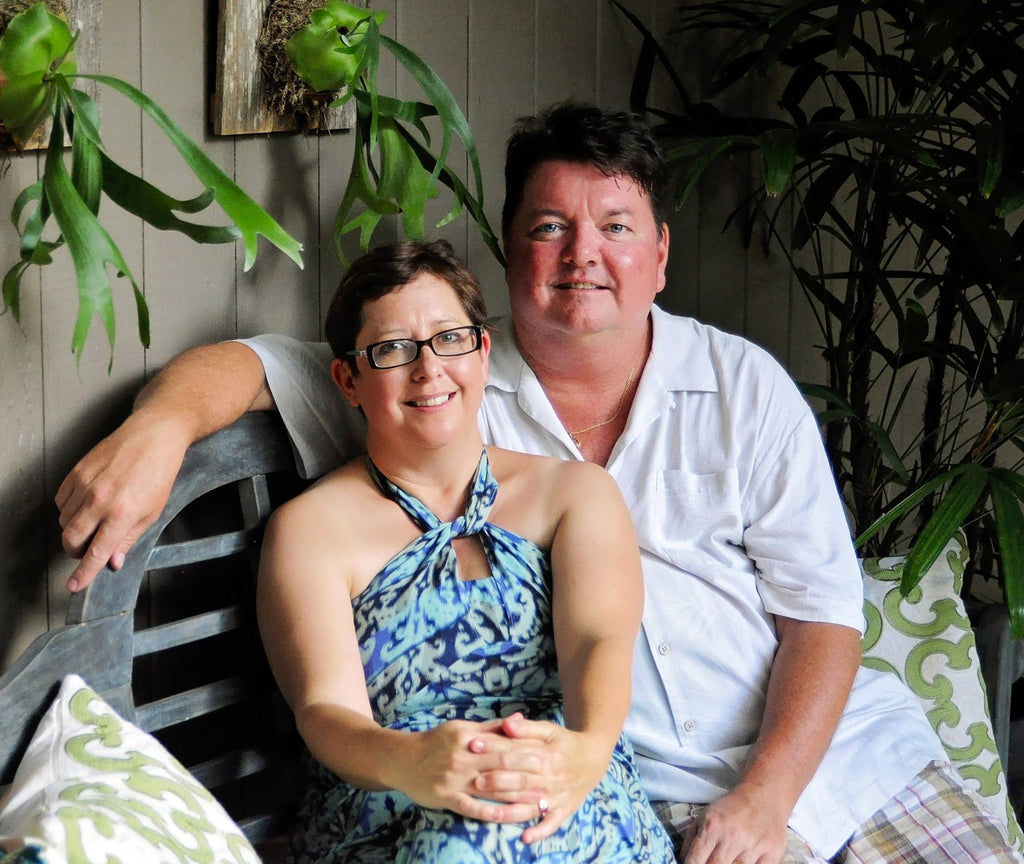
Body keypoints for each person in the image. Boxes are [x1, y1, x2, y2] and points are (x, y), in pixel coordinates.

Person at [54, 102, 1021, 864]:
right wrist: (162, 424)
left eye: (615, 226)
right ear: (509, 248)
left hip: (829, 752)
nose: (582, 255)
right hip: (649, 792)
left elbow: (824, 610)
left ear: (660, 256)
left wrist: (768, 797)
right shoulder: (447, 384)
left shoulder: (741, 386)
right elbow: (255, 366)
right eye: (549, 226)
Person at [256, 239, 674, 863]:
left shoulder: (573, 493)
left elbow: (598, 640)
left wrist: (585, 753)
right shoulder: (311, 529)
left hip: (561, 782)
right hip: (390, 803)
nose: (428, 369)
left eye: (449, 338)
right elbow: (324, 708)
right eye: (392, 350)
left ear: (482, 352)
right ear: (349, 378)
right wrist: (416, 763)